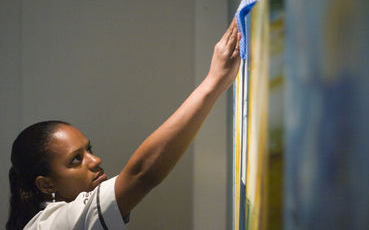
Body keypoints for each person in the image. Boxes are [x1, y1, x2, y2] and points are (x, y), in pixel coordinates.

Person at [6, 19, 241, 230]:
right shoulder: (52, 224)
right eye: (76, 160)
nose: (95, 161)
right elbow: (141, 175)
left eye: (89, 150)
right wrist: (214, 82)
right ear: (46, 184)